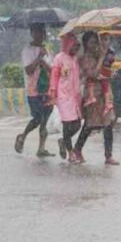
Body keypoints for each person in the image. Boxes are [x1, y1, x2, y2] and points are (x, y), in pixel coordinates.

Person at [73, 31, 119, 165]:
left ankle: (108, 156)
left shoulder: (99, 54)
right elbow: (93, 73)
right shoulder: (85, 58)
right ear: (86, 44)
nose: (94, 45)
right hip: (93, 94)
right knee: (90, 124)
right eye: (92, 42)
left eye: (96, 42)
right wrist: (101, 58)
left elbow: (104, 69)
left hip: (105, 93)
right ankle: (77, 149)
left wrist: (109, 71)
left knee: (108, 123)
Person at [15, 23, 54, 158]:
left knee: (45, 120)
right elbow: (28, 70)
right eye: (37, 32)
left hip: (47, 90)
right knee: (38, 118)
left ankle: (41, 148)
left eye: (42, 32)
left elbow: (52, 70)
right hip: (34, 90)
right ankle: (23, 136)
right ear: (32, 33)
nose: (40, 35)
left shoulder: (47, 50)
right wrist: (39, 58)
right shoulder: (27, 50)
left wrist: (45, 63)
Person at [49, 33, 83, 164]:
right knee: (67, 125)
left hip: (74, 97)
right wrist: (53, 94)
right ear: (68, 44)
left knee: (77, 124)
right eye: (75, 46)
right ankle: (70, 153)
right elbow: (54, 77)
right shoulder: (59, 58)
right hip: (63, 96)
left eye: (78, 46)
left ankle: (63, 141)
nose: (77, 49)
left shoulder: (75, 59)